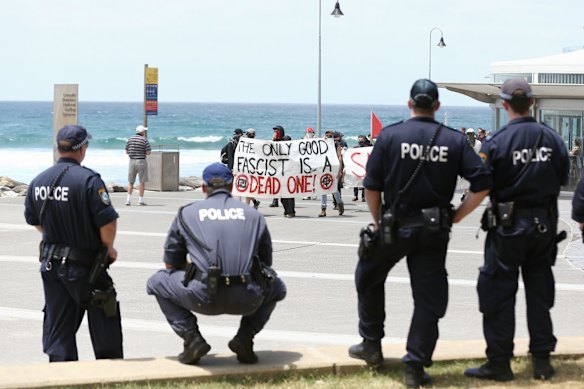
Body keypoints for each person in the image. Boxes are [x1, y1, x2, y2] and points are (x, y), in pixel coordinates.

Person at [348, 79, 492, 388]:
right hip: (433, 230)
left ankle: (371, 342)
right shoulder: (453, 141)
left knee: (368, 276)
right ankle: (414, 364)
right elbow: (482, 184)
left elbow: (371, 187)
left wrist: (377, 221)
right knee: (428, 299)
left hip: (394, 225)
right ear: (437, 106)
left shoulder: (390, 136)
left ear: (409, 103)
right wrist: (456, 216)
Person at [464, 78, 569, 382]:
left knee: (498, 294)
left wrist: (457, 215)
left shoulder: (496, 142)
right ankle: (541, 362)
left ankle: (499, 363)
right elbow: (562, 178)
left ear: (505, 104)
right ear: (533, 103)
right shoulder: (553, 139)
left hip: (507, 228)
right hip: (543, 227)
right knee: (539, 294)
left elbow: (481, 186)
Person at [146, 162, 286, 365]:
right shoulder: (254, 215)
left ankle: (191, 337)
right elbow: (266, 267)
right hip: (247, 296)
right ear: (232, 186)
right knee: (278, 287)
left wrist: (195, 270)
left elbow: (171, 264)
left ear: (203, 188)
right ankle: (245, 338)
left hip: (203, 295)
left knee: (156, 282)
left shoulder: (187, 213)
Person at [24, 125, 123, 362]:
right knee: (104, 309)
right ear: (81, 149)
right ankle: (109, 369)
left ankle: (61, 371)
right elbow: (107, 223)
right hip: (85, 266)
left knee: (58, 320)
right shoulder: (89, 180)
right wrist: (108, 247)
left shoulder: (38, 181)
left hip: (51, 265)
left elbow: (35, 221)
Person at [319, 130, 345, 217]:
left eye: (330, 136)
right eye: (327, 136)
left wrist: (340, 170)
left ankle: (340, 203)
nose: (328, 137)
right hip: (324, 168)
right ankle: (323, 209)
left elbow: (340, 157)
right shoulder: (322, 144)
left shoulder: (337, 144)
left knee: (334, 189)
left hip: (333, 168)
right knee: (323, 189)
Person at [125, 124, 152, 206]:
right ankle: (140, 200)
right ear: (142, 132)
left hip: (132, 161)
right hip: (141, 161)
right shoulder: (144, 140)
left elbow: (126, 151)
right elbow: (148, 152)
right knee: (142, 182)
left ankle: (128, 200)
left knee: (131, 182)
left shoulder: (130, 139)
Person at [244, 128, 261, 209]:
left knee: (248, 188)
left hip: (252, 169)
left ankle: (247, 206)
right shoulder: (245, 143)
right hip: (246, 168)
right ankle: (254, 201)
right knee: (247, 188)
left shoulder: (254, 143)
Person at [352, 135, 371, 202]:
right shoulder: (355, 148)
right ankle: (355, 195)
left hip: (364, 167)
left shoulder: (367, 148)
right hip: (357, 167)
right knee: (356, 182)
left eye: (361, 140)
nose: (360, 141)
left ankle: (363, 196)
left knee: (363, 182)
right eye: (359, 140)